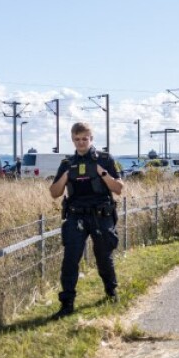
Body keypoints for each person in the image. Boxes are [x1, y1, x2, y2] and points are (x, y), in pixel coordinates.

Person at [49, 122, 123, 318]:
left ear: (91, 139)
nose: (81, 143)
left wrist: (102, 173)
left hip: (101, 215)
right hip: (76, 216)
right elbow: (54, 193)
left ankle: (111, 291)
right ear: (72, 139)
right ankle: (67, 304)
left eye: (84, 139)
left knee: (103, 257)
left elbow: (118, 188)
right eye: (77, 139)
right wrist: (66, 175)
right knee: (70, 260)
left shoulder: (105, 160)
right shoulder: (67, 163)